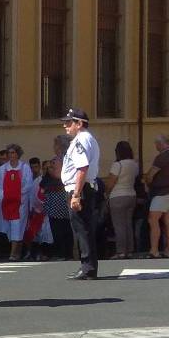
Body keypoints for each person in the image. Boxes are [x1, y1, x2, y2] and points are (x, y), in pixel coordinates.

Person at [61, 108, 101, 279]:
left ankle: (87, 266)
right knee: (85, 227)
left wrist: (76, 194)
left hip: (79, 188)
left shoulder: (80, 141)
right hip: (85, 187)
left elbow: (82, 167)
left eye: (69, 123)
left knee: (81, 228)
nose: (65, 126)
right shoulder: (88, 139)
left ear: (79, 124)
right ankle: (89, 266)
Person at [0, 143, 34, 261]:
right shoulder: (3, 168)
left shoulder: (24, 168)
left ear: (18, 154)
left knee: (17, 227)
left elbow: (28, 184)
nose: (11, 155)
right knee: (9, 227)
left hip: (20, 203)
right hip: (6, 202)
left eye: (13, 152)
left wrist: (17, 193)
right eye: (9, 153)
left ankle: (13, 253)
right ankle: (17, 251)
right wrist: (4, 195)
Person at [144, 134, 169, 259]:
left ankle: (154, 250)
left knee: (153, 220)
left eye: (156, 144)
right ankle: (168, 250)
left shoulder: (161, 157)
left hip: (161, 193)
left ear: (161, 143)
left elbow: (150, 175)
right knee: (168, 220)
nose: (156, 146)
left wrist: (147, 182)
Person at [103, 141, 139, 259]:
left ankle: (121, 251)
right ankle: (130, 250)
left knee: (119, 225)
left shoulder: (117, 165)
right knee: (128, 224)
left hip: (118, 196)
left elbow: (110, 183)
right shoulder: (134, 164)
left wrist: (106, 194)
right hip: (131, 195)